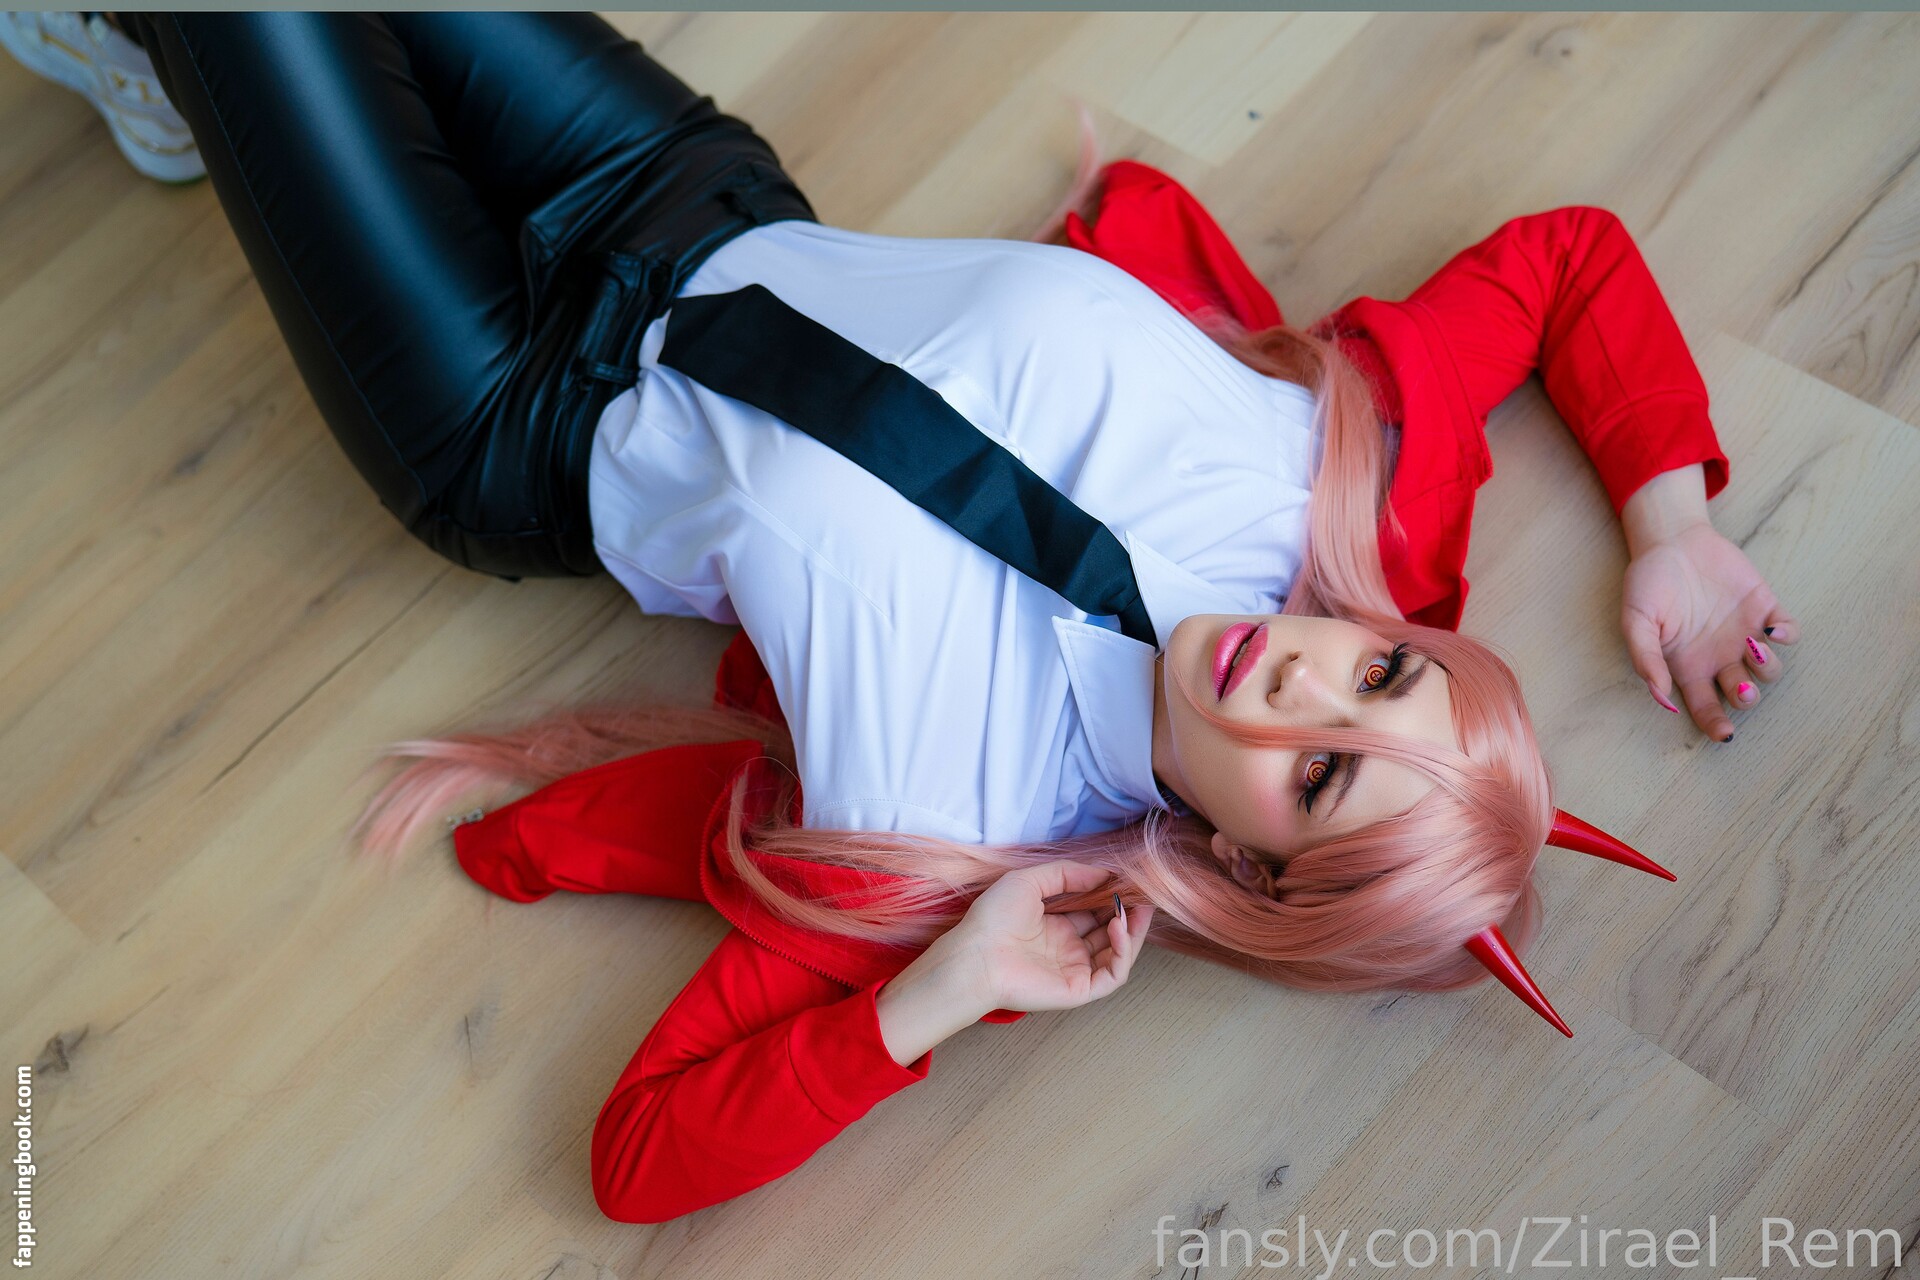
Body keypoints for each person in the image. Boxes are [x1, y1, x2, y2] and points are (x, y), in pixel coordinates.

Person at [17, 13, 1798, 1224]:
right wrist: (1674, 527)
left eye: (1324, 773)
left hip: (512, 409)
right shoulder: (1321, 470)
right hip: (684, 191)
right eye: (1386, 670)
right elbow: (1566, 260)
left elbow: (638, 1158)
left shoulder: (959, 837)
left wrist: (942, 994)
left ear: (1253, 870)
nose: (1307, 683)